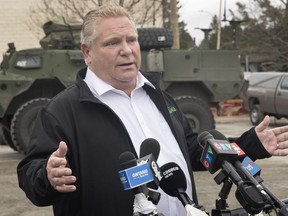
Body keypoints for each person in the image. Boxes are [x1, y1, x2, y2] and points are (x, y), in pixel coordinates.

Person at [17, 4, 288, 216]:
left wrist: (250, 144)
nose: (127, 50)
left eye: (131, 40)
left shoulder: (159, 96)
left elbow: (193, 150)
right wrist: (48, 176)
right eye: (113, 43)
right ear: (87, 52)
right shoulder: (62, 110)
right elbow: (31, 175)